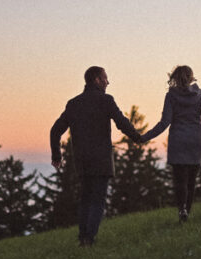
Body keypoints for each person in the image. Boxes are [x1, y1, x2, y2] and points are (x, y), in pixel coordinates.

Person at [50, 66, 143, 246]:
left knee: (85, 198)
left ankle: (83, 236)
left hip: (82, 160)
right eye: (105, 78)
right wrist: (137, 137)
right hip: (101, 159)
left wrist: (57, 155)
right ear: (97, 80)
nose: (108, 82)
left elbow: (55, 131)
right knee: (98, 199)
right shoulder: (106, 100)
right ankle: (89, 239)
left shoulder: (73, 103)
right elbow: (121, 122)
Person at [141, 65, 201, 222]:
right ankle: (187, 213)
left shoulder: (170, 96)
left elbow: (164, 123)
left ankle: (182, 210)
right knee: (191, 181)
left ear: (175, 78)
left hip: (178, 141)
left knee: (180, 181)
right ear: (191, 77)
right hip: (195, 141)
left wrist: (144, 137)